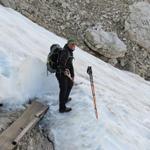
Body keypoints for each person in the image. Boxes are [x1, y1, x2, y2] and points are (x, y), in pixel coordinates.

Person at [56, 38, 76, 113]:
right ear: (68, 44)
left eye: (74, 44)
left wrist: (72, 74)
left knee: (70, 84)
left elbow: (70, 64)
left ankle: (65, 99)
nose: (73, 46)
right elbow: (61, 63)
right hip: (61, 73)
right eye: (71, 44)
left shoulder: (70, 52)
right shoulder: (65, 52)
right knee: (63, 89)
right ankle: (62, 108)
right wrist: (64, 70)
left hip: (65, 73)